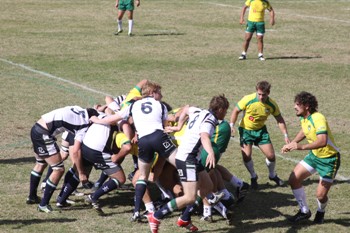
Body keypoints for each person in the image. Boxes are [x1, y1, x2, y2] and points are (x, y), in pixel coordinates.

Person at [90, 80, 178, 221]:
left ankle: (137, 212)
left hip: (143, 142)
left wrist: (96, 118)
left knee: (141, 178)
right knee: (182, 164)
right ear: (152, 93)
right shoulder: (159, 105)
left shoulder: (131, 104)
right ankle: (203, 199)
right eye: (159, 92)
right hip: (157, 139)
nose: (161, 95)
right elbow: (167, 121)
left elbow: (113, 117)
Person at [147, 95, 230, 233]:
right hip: (188, 159)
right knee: (189, 197)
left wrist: (179, 126)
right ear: (220, 109)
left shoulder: (199, 111)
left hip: (189, 157)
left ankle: (185, 218)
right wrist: (209, 152)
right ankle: (156, 216)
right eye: (225, 110)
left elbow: (185, 108)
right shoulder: (210, 120)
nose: (225, 113)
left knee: (208, 186)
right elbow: (204, 136)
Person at [281, 91, 341, 224]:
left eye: (297, 104)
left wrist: (300, 147)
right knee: (293, 179)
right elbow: (305, 130)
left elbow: (322, 141)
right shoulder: (304, 117)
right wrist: (292, 143)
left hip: (329, 160)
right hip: (314, 156)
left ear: (307, 105)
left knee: (320, 196)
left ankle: (321, 212)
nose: (294, 107)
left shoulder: (318, 118)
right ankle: (304, 211)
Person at [27, 106, 98, 213]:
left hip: (36, 128)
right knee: (58, 169)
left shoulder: (78, 108)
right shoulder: (83, 125)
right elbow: (75, 151)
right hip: (43, 134)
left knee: (40, 164)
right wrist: (81, 173)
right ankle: (43, 204)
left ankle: (32, 197)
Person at [230, 81, 289, 190]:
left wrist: (285, 135)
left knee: (271, 156)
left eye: (264, 94)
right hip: (246, 130)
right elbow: (235, 111)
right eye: (259, 94)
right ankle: (253, 177)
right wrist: (231, 125)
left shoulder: (272, 104)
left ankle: (272, 175)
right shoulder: (248, 99)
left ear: (268, 93)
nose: (261, 97)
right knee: (246, 155)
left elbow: (279, 119)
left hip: (261, 131)